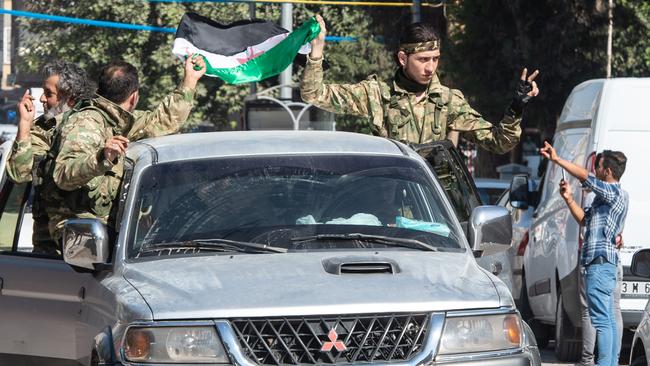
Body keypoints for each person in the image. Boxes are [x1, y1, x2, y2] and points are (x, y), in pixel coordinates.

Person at [301, 15, 540, 153]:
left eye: (435, 59)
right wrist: (317, 50)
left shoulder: (448, 101)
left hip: (433, 208)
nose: (430, 67)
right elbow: (313, 94)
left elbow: (499, 143)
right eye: (423, 60)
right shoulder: (376, 94)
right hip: (389, 202)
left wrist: (516, 107)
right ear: (403, 58)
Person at [45, 55, 206, 244]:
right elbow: (64, 175)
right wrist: (101, 157)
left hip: (108, 235)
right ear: (134, 97)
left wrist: (189, 80)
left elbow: (164, 120)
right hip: (80, 239)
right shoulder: (87, 122)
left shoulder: (123, 121)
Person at [540, 142, 628, 366]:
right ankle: (608, 362)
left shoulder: (613, 192)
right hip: (600, 264)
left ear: (607, 171)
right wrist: (569, 199)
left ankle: (606, 363)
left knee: (602, 319)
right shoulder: (605, 198)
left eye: (598, 168)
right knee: (606, 318)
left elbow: (585, 176)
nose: (595, 172)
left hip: (599, 265)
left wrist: (557, 160)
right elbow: (584, 220)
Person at [5, 61, 95, 254]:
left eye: (49, 93)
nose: (41, 99)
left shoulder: (94, 128)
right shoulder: (40, 129)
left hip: (86, 247)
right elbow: (18, 175)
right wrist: (24, 127)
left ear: (69, 98)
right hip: (47, 249)